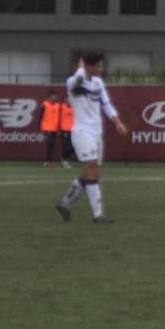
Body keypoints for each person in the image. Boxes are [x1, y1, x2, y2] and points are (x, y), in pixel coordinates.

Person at [54, 53, 129, 225]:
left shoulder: (98, 83)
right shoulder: (73, 82)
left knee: (91, 172)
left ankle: (64, 204)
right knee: (92, 166)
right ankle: (98, 215)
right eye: (99, 66)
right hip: (81, 131)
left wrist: (118, 122)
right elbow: (79, 80)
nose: (102, 69)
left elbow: (106, 104)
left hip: (96, 132)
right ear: (89, 66)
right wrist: (81, 67)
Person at [39, 88, 63, 167]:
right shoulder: (44, 104)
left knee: (52, 145)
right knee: (49, 144)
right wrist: (40, 127)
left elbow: (59, 117)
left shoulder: (58, 106)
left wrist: (58, 129)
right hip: (47, 128)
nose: (55, 97)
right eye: (53, 96)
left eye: (55, 96)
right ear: (49, 96)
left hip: (54, 129)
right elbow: (40, 116)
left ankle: (49, 161)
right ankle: (46, 161)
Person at [57, 90, 75, 168]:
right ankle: (65, 160)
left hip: (73, 130)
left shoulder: (75, 108)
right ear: (65, 100)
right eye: (67, 99)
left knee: (74, 146)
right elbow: (56, 117)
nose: (69, 101)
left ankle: (64, 158)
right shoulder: (61, 107)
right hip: (64, 130)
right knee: (67, 146)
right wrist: (58, 129)